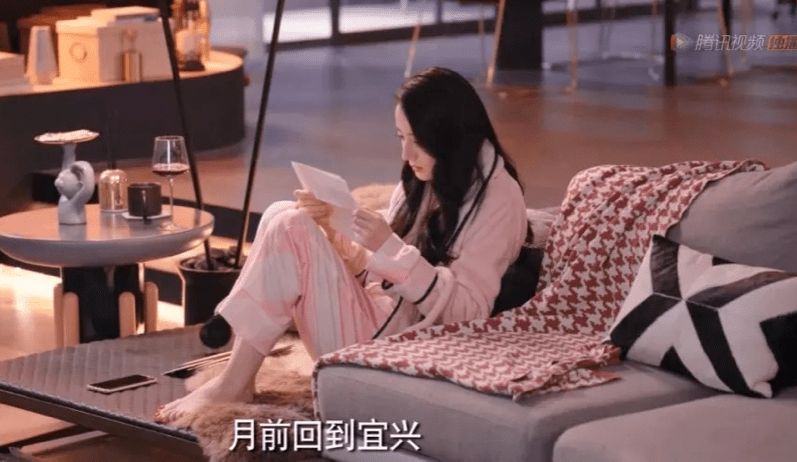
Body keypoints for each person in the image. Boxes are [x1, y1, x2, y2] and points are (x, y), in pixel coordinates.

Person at [154, 67, 528, 421]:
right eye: (401, 138)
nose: (406, 155)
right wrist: (333, 234)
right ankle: (238, 375)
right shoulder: (429, 176)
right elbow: (378, 273)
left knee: (290, 224)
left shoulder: (498, 199)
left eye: (418, 141)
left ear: (447, 136)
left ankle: (234, 377)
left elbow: (468, 314)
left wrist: (390, 249)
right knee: (287, 213)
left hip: (404, 346)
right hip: (379, 317)